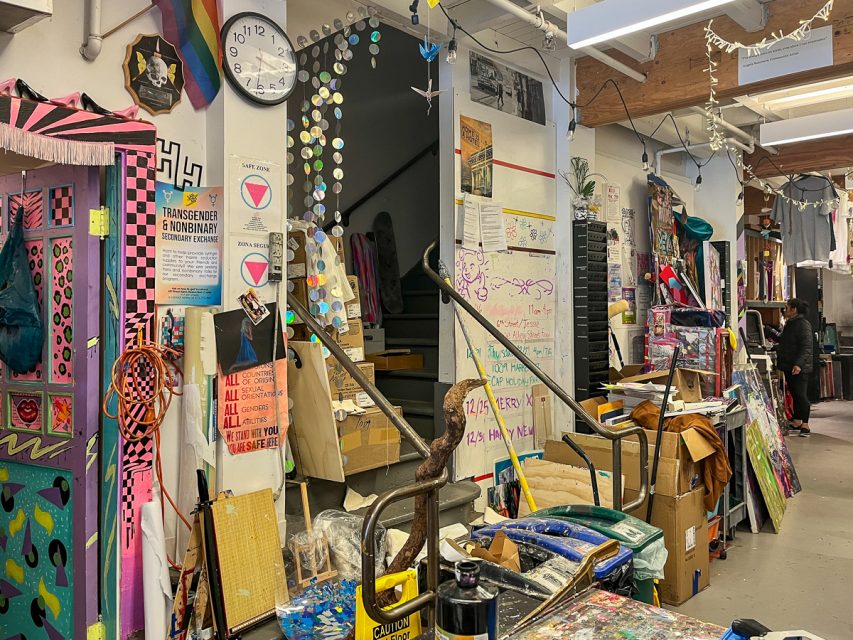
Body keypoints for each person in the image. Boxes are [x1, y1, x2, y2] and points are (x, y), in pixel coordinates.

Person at [776, 298, 814, 436]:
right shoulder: (791, 324)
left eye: (786, 308)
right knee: (795, 393)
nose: (784, 310)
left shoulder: (803, 324)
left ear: (794, 310)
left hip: (799, 367)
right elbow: (786, 341)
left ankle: (805, 424)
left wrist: (799, 364)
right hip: (790, 365)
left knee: (800, 394)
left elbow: (806, 347)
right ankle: (797, 420)